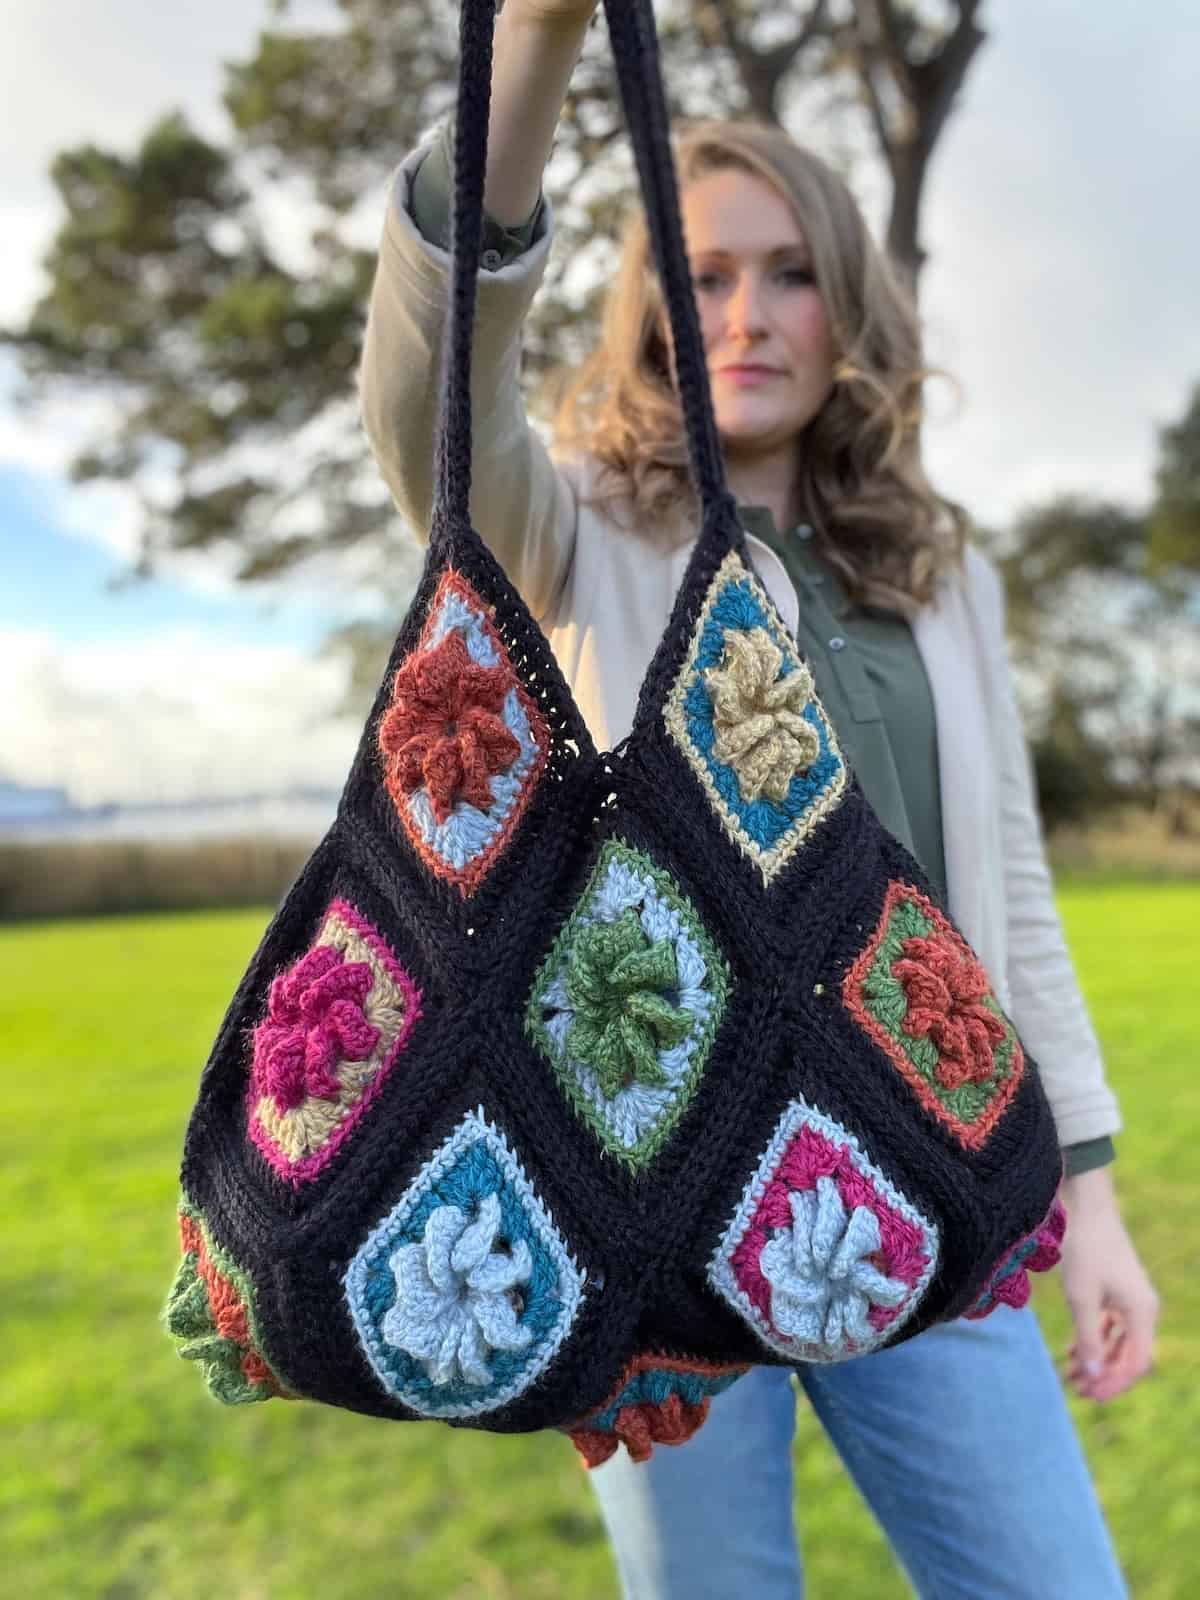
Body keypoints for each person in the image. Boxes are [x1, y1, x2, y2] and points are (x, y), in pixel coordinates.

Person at [358, 1, 1161, 1593]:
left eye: (789, 271)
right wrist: (530, 48)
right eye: (703, 276)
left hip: (937, 1187)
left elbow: (1014, 904)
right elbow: (425, 394)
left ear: (848, 299)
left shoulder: (944, 577)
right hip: (648, 1211)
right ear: (652, 311)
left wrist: (1094, 1201)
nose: (748, 312)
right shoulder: (572, 527)